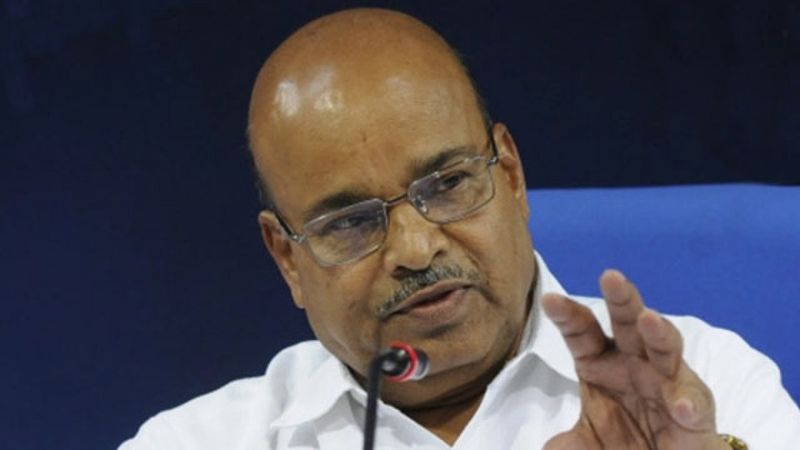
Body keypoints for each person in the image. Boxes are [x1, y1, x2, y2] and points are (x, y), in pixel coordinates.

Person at [120, 8, 799, 449]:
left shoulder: (703, 391)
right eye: (351, 221)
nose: (416, 248)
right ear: (288, 259)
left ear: (511, 175)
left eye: (447, 184)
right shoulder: (197, 441)